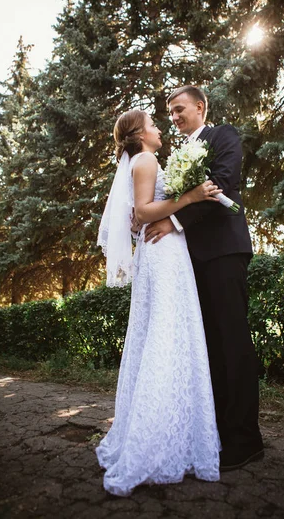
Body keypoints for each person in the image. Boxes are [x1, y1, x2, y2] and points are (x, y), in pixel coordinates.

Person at [96, 109, 221, 497]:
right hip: (163, 251)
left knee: (163, 332)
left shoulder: (140, 160)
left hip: (161, 251)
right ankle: (157, 442)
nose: (160, 128)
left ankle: (170, 434)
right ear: (139, 134)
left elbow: (138, 214)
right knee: (169, 333)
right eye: (153, 124)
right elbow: (146, 212)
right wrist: (192, 196)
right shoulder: (147, 159)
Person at [144, 85, 264, 470]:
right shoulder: (175, 155)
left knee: (233, 341)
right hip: (191, 261)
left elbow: (221, 185)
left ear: (199, 107)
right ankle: (219, 433)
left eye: (180, 109)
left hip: (225, 252)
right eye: (170, 113)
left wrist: (174, 219)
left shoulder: (222, 136)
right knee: (209, 346)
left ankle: (247, 438)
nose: (175, 117)